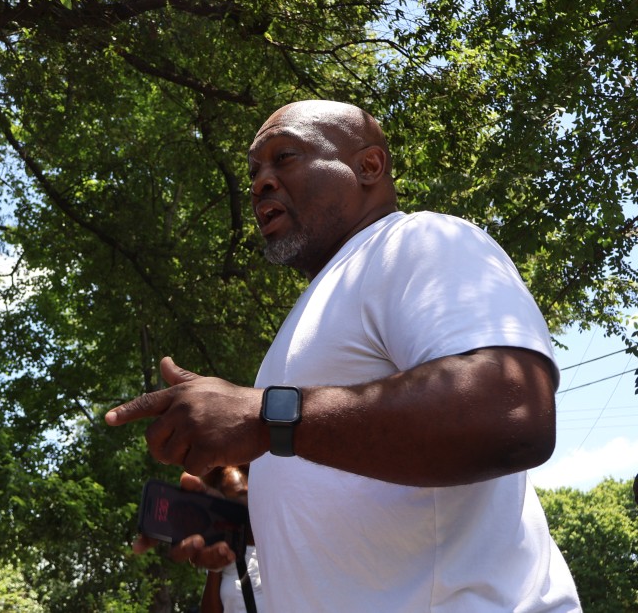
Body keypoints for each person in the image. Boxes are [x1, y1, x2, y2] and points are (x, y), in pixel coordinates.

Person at [106, 100, 581, 611]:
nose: (260, 182)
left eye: (283, 157)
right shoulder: (310, 317)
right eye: (253, 170)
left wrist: (265, 416)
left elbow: (509, 410)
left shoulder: (419, 239)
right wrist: (240, 526)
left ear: (368, 167)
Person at [198, 465, 265, 613]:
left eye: (243, 493)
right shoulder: (224, 556)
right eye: (230, 501)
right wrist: (216, 566)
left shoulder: (276, 545)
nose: (241, 503)